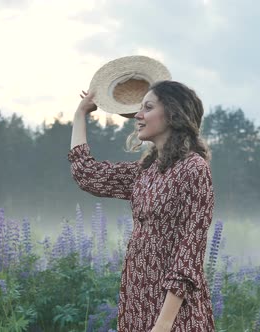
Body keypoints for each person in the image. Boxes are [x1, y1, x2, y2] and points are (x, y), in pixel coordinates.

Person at [68, 80, 215, 331]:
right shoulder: (146, 171)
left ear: (172, 114)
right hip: (137, 300)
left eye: (147, 107)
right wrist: (80, 114)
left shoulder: (193, 169)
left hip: (173, 311)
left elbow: (189, 254)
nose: (138, 115)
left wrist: (163, 323)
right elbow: (87, 174)